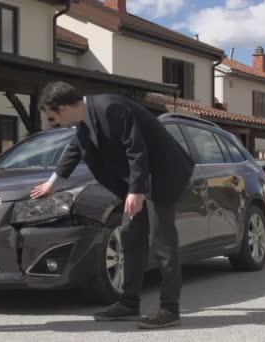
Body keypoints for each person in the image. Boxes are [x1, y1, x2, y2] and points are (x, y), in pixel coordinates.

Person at [31, 82, 194, 329]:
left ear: (63, 108)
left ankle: (170, 309)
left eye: (53, 117)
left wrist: (136, 190)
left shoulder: (111, 107)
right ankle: (129, 303)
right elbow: (76, 149)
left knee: (163, 240)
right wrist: (53, 182)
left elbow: (136, 148)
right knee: (131, 235)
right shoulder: (84, 121)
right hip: (138, 180)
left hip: (164, 172)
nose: (54, 123)